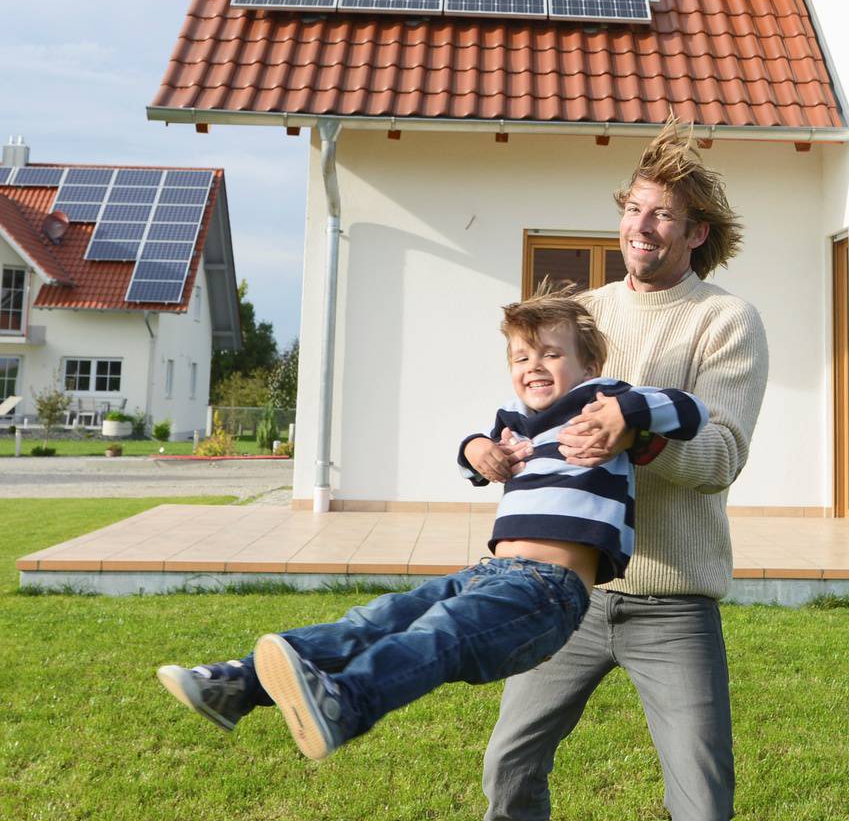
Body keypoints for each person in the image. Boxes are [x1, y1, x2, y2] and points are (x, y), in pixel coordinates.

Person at [401, 123, 770, 821]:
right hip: (561, 593)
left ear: (697, 233)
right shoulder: (585, 310)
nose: (643, 225)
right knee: (508, 769)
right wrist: (492, 452)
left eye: (664, 216)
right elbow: (527, 409)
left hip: (670, 600)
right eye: (633, 208)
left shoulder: (724, 321)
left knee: (703, 812)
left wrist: (636, 438)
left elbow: (721, 454)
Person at [156, 288, 706, 760]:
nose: (532, 365)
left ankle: (347, 704)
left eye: (550, 353)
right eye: (519, 357)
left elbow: (690, 412)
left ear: (587, 365)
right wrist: (475, 449)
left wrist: (623, 414)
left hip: (550, 591)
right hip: (491, 573)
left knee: (438, 633)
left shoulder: (599, 400)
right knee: (375, 618)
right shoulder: (513, 423)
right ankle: (240, 684)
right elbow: (473, 454)